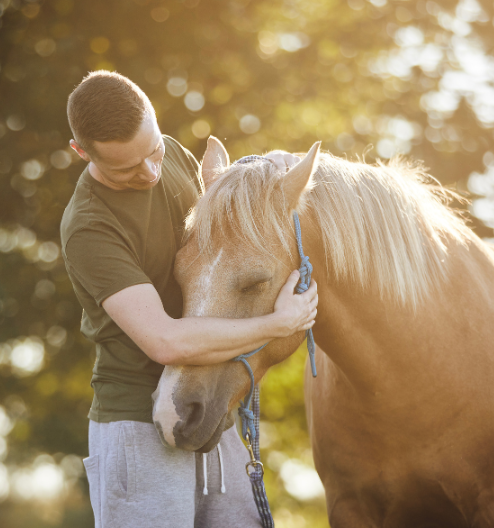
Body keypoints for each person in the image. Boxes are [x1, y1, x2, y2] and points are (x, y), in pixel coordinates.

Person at [60, 71, 318, 528]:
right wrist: (278, 324)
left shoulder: (173, 154)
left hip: (209, 406)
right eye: (127, 169)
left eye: (153, 150)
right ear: (82, 153)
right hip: (138, 425)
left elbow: (226, 244)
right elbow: (165, 342)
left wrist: (268, 173)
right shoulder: (89, 226)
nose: (151, 172)